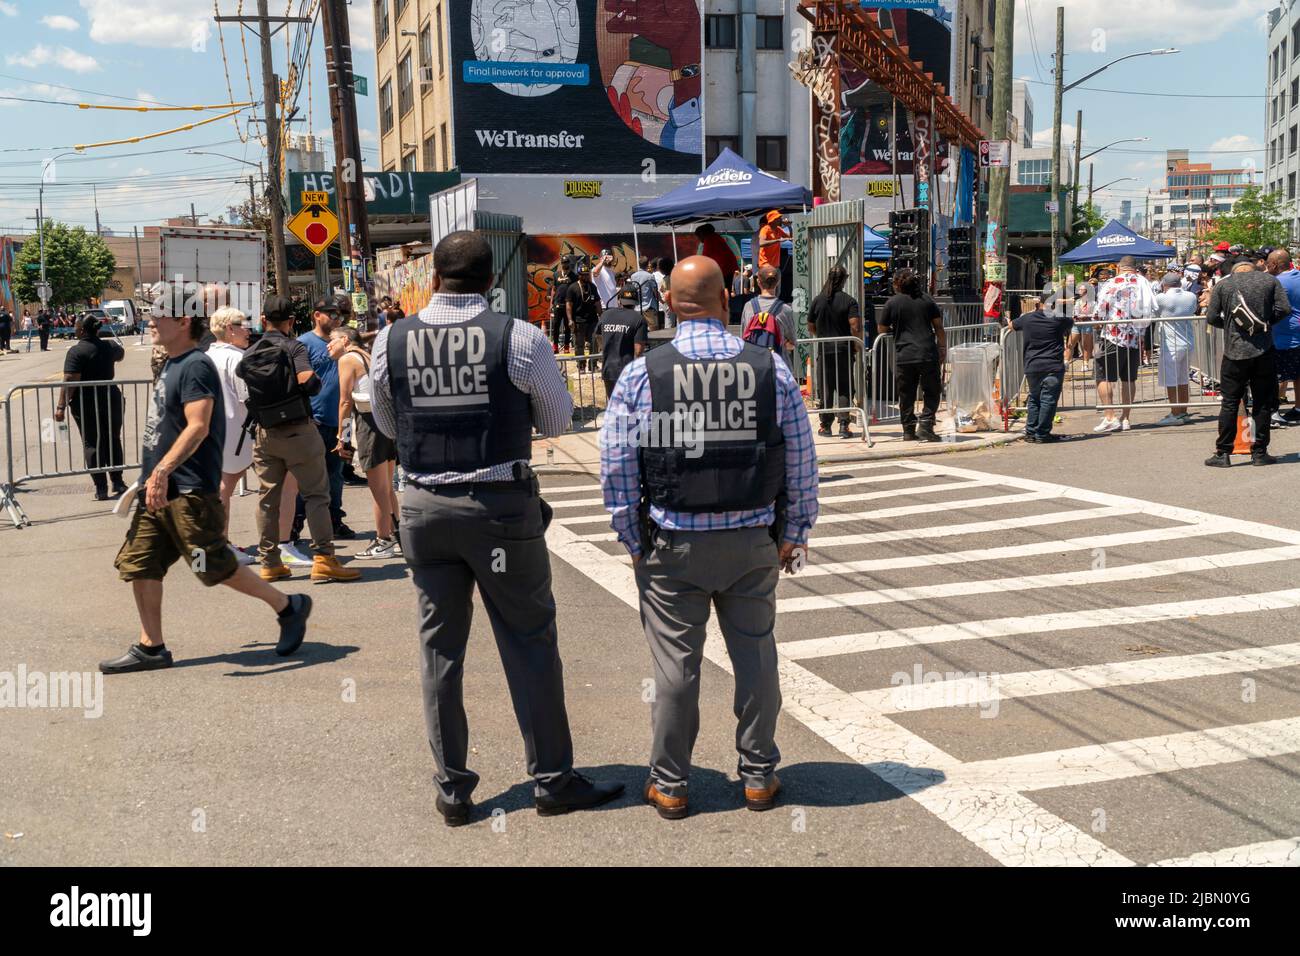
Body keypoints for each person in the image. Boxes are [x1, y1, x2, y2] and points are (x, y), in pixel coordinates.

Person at [371, 229, 624, 825]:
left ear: (434, 276)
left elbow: (386, 417)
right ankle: (552, 779)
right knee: (528, 640)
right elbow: (559, 420)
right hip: (498, 508)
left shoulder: (391, 339)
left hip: (424, 508)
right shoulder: (519, 337)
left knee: (440, 650)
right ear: (491, 281)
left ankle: (453, 791)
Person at [599, 255, 819, 821]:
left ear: (669, 304)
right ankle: (759, 777)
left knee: (675, 667)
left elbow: (618, 464)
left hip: (673, 543)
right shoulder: (769, 369)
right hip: (752, 540)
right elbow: (800, 458)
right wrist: (793, 531)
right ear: (728, 300)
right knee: (757, 657)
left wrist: (631, 537)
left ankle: (671, 784)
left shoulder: (641, 374)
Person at [98, 293, 313, 674]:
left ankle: (287, 606)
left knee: (210, 564)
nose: (150, 321)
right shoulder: (171, 362)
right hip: (157, 490)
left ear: (183, 321)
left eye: (157, 316)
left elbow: (197, 425)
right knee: (140, 562)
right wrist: (149, 477)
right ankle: (152, 646)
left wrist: (163, 470)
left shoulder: (196, 366)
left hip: (188, 490)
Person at [238, 295, 360, 583]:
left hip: (265, 433)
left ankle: (270, 563)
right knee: (317, 494)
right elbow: (309, 381)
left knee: (267, 498)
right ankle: (325, 559)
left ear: (263, 321)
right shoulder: (294, 346)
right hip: (300, 430)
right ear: (291, 322)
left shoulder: (249, 352)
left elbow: (241, 376)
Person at [1204, 259, 1291, 467]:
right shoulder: (1269, 281)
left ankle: (1223, 453)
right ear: (1254, 268)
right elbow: (1284, 309)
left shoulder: (1223, 285)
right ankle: (1260, 452)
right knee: (1262, 402)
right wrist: (1265, 324)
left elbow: (1211, 316)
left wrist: (1228, 326)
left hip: (1234, 351)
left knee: (1230, 402)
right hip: (1264, 350)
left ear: (1234, 271)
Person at [333, 325, 401, 559]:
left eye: (331, 342)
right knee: (387, 486)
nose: (328, 347)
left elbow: (344, 401)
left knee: (378, 489)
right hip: (385, 421)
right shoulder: (367, 355)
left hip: (369, 423)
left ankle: (383, 541)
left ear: (344, 340)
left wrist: (342, 434)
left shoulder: (347, 359)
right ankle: (397, 536)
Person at [56, 313, 128, 500]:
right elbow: (120, 354)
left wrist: (61, 406)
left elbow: (70, 380)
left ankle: (101, 488)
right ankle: (118, 482)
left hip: (86, 401)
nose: (74, 329)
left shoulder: (76, 352)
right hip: (110, 397)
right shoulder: (109, 346)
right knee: (112, 439)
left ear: (81, 330)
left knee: (91, 443)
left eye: (76, 327)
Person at [206, 307, 256, 562]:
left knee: (221, 487)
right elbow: (248, 397)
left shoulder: (208, 356)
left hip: (215, 430)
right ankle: (220, 546)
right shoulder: (236, 359)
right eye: (243, 324)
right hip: (234, 431)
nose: (248, 329)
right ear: (229, 329)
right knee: (224, 488)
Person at [299, 294, 352, 537]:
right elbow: (305, 378)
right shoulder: (304, 343)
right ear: (316, 315)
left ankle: (334, 520)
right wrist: (331, 354)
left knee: (337, 474)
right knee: (308, 478)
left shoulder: (344, 341)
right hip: (314, 419)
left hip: (343, 418)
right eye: (331, 314)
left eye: (339, 314)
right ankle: (295, 525)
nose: (336, 318)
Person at [1091, 255, 1156, 432]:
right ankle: (1125, 418)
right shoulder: (1144, 283)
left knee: (1103, 377)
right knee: (1129, 379)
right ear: (1135, 268)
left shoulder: (1112, 283)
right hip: (1135, 338)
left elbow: (1101, 309)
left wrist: (1096, 321)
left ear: (1120, 267)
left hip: (1113, 335)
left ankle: (1110, 417)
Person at [880, 268, 945, 442]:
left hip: (905, 354)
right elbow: (938, 327)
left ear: (898, 284)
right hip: (927, 352)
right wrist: (942, 348)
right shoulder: (927, 300)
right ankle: (926, 424)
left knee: (906, 394)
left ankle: (908, 430)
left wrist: (896, 329)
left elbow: (882, 328)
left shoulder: (892, 303)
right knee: (932, 391)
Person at [1013, 296, 1076, 443]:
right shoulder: (1060, 319)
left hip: (1032, 365)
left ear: (1038, 303)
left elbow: (1011, 325)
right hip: (1052, 366)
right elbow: (1070, 321)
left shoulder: (1027, 318)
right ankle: (1042, 433)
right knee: (1048, 400)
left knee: (1034, 399)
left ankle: (1030, 432)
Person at [808, 265, 860, 438]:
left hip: (825, 350)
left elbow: (811, 326)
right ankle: (844, 426)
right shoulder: (849, 301)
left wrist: (823, 335)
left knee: (827, 389)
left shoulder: (818, 300)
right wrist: (856, 343)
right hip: (844, 350)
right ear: (844, 280)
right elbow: (855, 325)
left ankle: (826, 426)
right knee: (845, 387)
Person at [1153, 272, 1199, 426]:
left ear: (1164, 284)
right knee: (1183, 378)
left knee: (1171, 380)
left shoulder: (1161, 298)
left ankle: (1175, 413)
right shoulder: (1190, 296)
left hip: (1171, 344)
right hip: (1188, 341)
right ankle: (1183, 411)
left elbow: (1154, 312)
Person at [740, 264, 798, 375]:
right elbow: (792, 344)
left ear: (758, 282)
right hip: (779, 370)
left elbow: (744, 338)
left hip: (755, 369)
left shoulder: (748, 306)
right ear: (778, 282)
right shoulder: (785, 309)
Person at [595, 284, 649, 400]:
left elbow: (598, 336)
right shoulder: (639, 319)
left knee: (613, 406)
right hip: (628, 371)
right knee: (629, 409)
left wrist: (604, 349)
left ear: (619, 300)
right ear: (636, 302)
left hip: (608, 370)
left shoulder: (606, 315)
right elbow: (638, 351)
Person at [1266, 249, 1300, 428]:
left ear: (1274, 265)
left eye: (1267, 264)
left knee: (1277, 375)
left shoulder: (1276, 282)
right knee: (1298, 375)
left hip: (1283, 334)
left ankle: (1274, 411)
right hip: (1296, 332)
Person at [565, 263, 602, 373]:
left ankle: (593, 365)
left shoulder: (592, 287)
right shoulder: (572, 288)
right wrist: (570, 320)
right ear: (579, 275)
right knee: (579, 345)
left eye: (587, 274)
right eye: (583, 275)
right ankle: (581, 366)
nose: (586, 277)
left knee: (594, 343)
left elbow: (597, 303)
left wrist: (601, 315)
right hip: (578, 321)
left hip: (592, 320)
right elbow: (568, 305)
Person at [694, 223, 738, 289]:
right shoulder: (716, 237)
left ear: (702, 234)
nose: (698, 239)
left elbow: (704, 258)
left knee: (721, 290)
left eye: (698, 236)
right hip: (728, 268)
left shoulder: (709, 239)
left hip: (724, 269)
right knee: (726, 289)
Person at [549, 255, 575, 353]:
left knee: (567, 326)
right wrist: (551, 304)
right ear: (561, 264)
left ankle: (566, 347)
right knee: (556, 326)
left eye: (567, 262)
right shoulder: (556, 274)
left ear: (569, 263)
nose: (565, 264)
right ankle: (555, 346)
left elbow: (575, 290)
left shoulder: (574, 276)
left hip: (568, 305)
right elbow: (554, 289)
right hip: (557, 304)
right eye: (564, 262)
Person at [627, 255, 659, 329]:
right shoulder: (650, 276)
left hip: (637, 308)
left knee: (640, 330)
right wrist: (659, 300)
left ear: (639, 264)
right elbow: (655, 291)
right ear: (648, 264)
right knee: (654, 331)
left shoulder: (633, 276)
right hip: (649, 306)